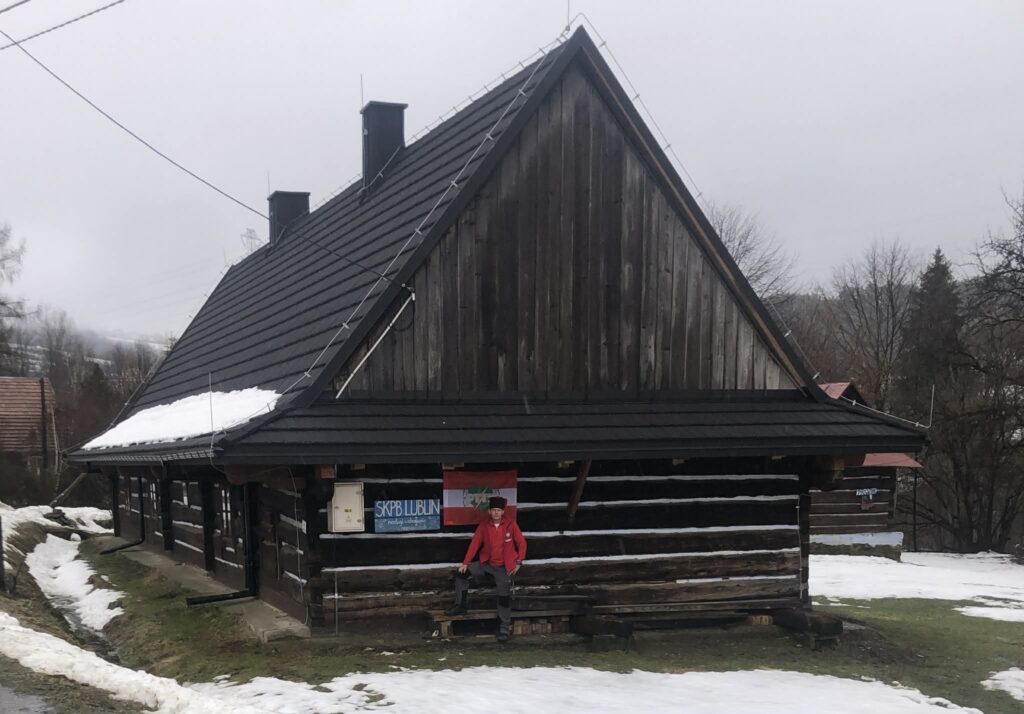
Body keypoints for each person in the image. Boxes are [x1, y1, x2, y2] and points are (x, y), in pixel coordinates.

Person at [445, 496, 527, 642]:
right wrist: (465, 563)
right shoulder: (484, 525)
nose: (496, 513)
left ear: (503, 512)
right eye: (493, 510)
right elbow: (475, 544)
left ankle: (503, 627)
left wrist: (519, 562)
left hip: (503, 567)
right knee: (461, 574)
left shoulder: (510, 524)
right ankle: (460, 605)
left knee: (504, 597)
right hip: (487, 564)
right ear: (489, 511)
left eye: (499, 510)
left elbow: (522, 543)